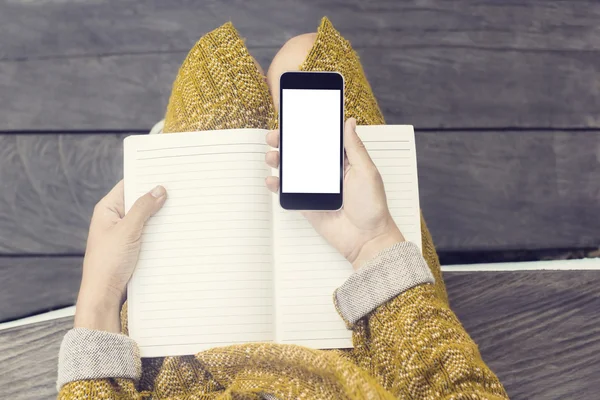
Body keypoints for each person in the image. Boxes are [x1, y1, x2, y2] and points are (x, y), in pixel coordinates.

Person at [57, 18, 509, 399]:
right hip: (369, 352)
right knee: (304, 58)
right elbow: (451, 384)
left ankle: (189, 136)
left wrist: (98, 299)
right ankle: (227, 129)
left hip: (192, 367)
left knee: (216, 73)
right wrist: (373, 243)